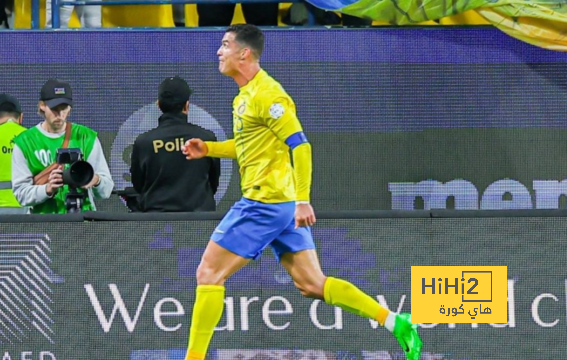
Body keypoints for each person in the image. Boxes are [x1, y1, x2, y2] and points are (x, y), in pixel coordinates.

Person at [180, 24, 422, 360]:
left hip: (265, 203)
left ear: (244, 53)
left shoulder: (270, 95)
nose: (218, 52)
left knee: (208, 273)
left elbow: (301, 145)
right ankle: (395, 321)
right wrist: (210, 148)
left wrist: (304, 199)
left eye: (224, 45)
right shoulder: (244, 96)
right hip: (281, 207)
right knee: (313, 284)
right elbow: (249, 147)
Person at [11, 78, 114, 214]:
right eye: (54, 109)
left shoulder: (86, 137)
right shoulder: (25, 142)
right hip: (44, 223)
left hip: (84, 222)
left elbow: (106, 190)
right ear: (42, 106)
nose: (60, 115)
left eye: (64, 108)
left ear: (70, 108)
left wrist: (95, 180)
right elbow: (21, 195)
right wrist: (47, 189)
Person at [130, 77, 220, 212]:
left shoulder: (144, 142)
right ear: (187, 106)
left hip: (155, 222)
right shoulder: (206, 138)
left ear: (158, 105)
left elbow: (138, 185)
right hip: (200, 222)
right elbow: (213, 182)